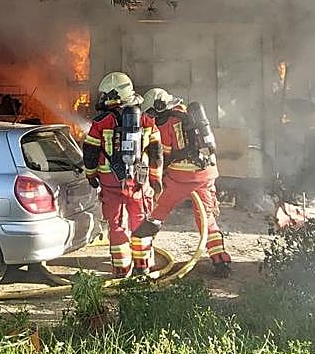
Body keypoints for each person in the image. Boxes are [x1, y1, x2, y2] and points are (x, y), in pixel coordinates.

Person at [139, 87, 232, 277]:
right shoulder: (188, 115)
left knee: (157, 212)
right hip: (206, 173)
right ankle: (220, 261)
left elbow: (162, 156)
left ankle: (141, 259)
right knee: (207, 219)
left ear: (158, 107)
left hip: (180, 177)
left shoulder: (164, 123)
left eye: (150, 112)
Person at [81, 72, 163, 277]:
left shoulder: (102, 121)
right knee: (140, 220)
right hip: (138, 181)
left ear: (113, 95)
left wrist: (91, 175)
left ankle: (121, 268)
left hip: (110, 181)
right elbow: (156, 153)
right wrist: (155, 179)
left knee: (116, 224)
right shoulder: (146, 119)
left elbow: (90, 152)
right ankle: (142, 266)